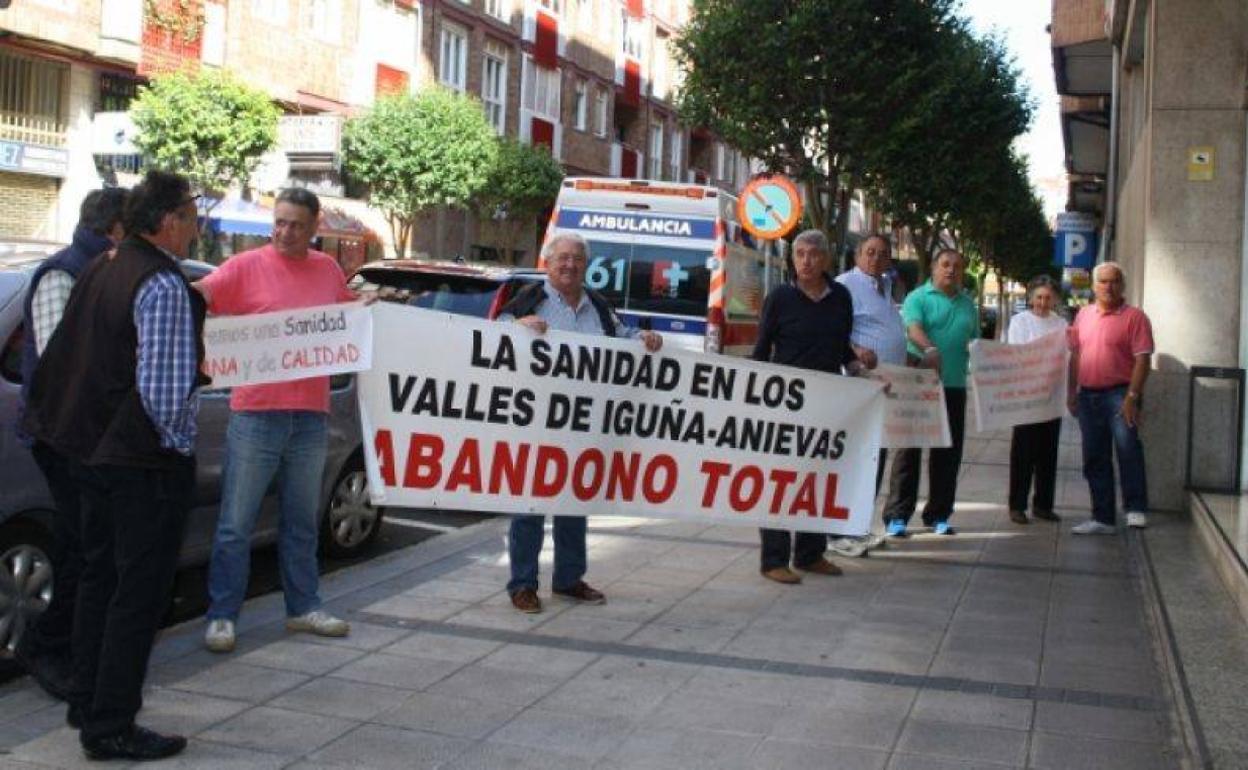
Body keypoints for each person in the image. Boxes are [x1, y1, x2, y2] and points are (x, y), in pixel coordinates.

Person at [23, 170, 206, 760]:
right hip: (138, 463)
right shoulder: (161, 283)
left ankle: (88, 700)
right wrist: (178, 447)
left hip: (89, 456)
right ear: (171, 220)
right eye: (192, 215)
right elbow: (162, 392)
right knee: (137, 593)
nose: (196, 227)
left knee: (100, 580)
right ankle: (112, 723)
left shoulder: (103, 266)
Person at [196, 188, 358, 653]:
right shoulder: (245, 266)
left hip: (310, 416)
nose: (286, 232)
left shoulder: (327, 270)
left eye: (296, 225)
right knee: (235, 523)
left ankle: (303, 606)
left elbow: (347, 316)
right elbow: (200, 296)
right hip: (255, 415)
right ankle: (223, 615)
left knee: (301, 520)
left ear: (314, 227)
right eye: (280, 222)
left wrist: (371, 309)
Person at [498, 232, 662, 612]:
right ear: (548, 263)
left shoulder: (598, 306)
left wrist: (644, 338)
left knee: (575, 501)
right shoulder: (528, 298)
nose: (569, 265)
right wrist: (517, 327)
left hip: (583, 422)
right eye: (562, 258)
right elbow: (492, 337)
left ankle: (569, 579)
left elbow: (621, 337)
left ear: (586, 266)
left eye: (577, 259)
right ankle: (522, 584)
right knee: (530, 505)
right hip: (535, 421)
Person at [15, 187, 128, 700]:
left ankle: (71, 646)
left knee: (91, 548)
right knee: (80, 550)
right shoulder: (64, 274)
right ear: (116, 230)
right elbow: (66, 364)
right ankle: (46, 645)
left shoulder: (99, 269)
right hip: (66, 438)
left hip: (90, 438)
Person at [753, 229, 864, 584]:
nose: (805, 261)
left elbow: (843, 348)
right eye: (799, 254)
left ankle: (810, 553)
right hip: (784, 404)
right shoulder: (779, 298)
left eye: (813, 254)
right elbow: (761, 351)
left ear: (826, 260)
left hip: (828, 405)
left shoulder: (841, 298)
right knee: (780, 480)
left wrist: (862, 369)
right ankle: (774, 559)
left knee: (818, 480)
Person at [883, 248, 977, 537]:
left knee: (948, 454)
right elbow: (913, 329)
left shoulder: (968, 305)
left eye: (957, 267)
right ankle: (897, 516)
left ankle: (938, 514)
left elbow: (972, 341)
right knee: (909, 451)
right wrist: (930, 349)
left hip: (953, 387)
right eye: (946, 264)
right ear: (934, 268)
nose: (951, 270)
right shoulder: (917, 298)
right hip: (919, 386)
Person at [830, 233, 907, 557]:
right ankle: (839, 532)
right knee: (856, 460)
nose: (876, 258)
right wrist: (857, 351)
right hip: (858, 386)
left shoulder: (885, 285)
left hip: (883, 389)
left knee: (874, 459)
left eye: (883, 253)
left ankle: (858, 526)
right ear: (857, 255)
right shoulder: (845, 285)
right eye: (870, 252)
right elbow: (834, 330)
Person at [1067, 261, 1154, 533]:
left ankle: (1135, 509)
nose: (1108, 286)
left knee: (1128, 451)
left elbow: (1143, 360)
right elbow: (1076, 355)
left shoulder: (1135, 317)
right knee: (1094, 456)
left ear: (1123, 285)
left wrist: (1132, 396)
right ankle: (1102, 517)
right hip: (1088, 396)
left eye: (1114, 281)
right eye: (1103, 281)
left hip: (1120, 394)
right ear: (1093, 286)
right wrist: (1072, 392)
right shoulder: (1082, 315)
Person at [1006, 275, 1068, 525]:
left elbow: (1065, 353)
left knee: (1048, 453)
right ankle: (1017, 505)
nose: (1043, 302)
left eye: (1048, 297)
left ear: (1054, 299)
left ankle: (1043, 504)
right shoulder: (1020, 322)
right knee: (1023, 452)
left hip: (1052, 396)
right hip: (1027, 396)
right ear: (1031, 298)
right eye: (1039, 297)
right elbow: (1017, 353)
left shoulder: (1061, 323)